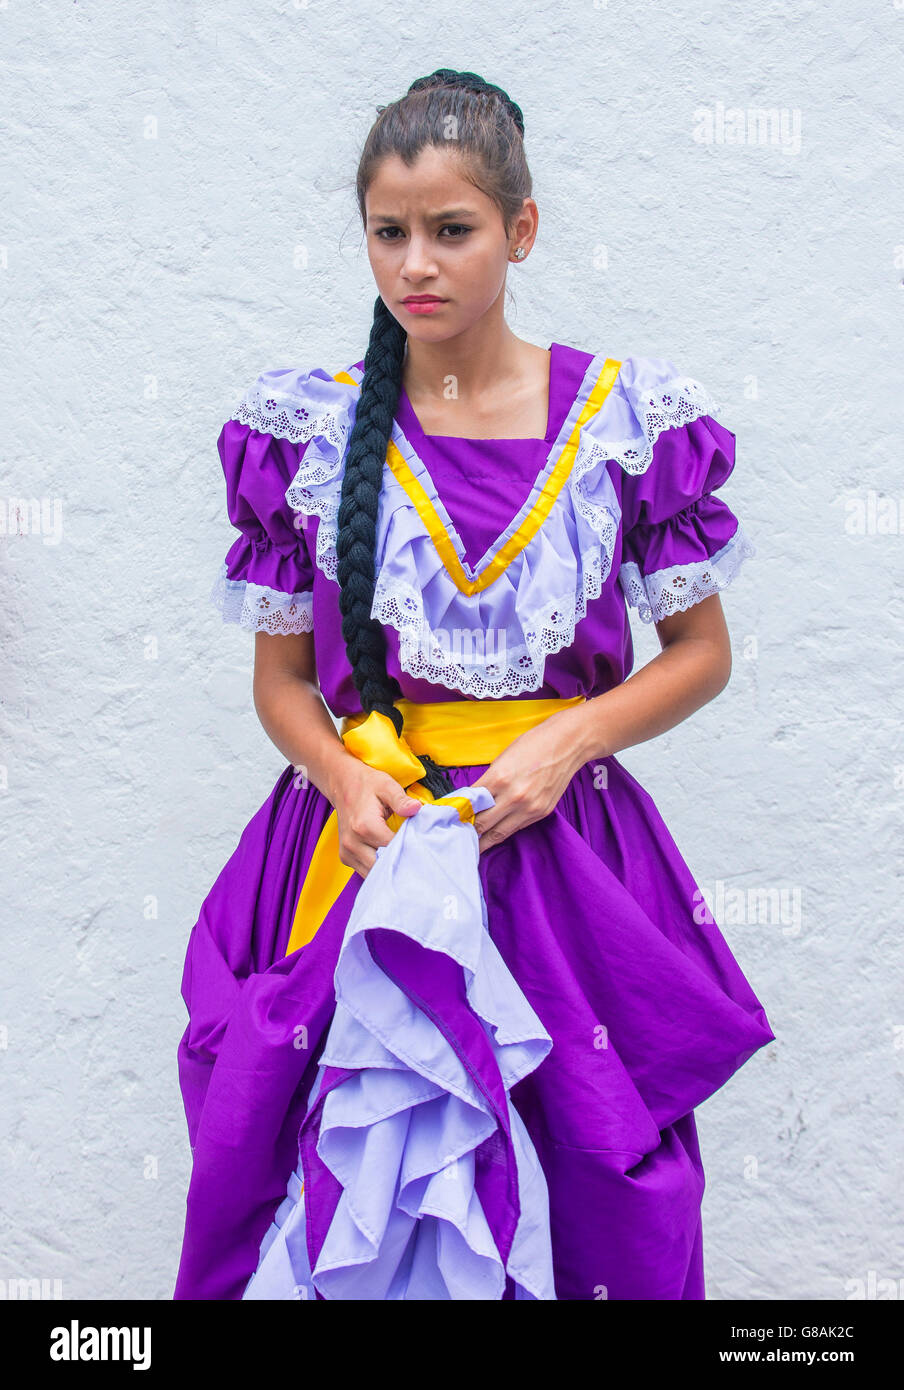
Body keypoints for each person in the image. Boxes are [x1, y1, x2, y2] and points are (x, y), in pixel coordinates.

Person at [174, 68, 774, 1301]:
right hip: (359, 849)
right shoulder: (306, 433)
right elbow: (284, 683)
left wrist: (567, 742)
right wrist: (339, 773)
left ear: (521, 228)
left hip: (563, 858)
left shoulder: (626, 423)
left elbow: (701, 655)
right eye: (388, 234)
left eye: (452, 230)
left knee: (601, 1179)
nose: (416, 265)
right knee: (324, 1174)